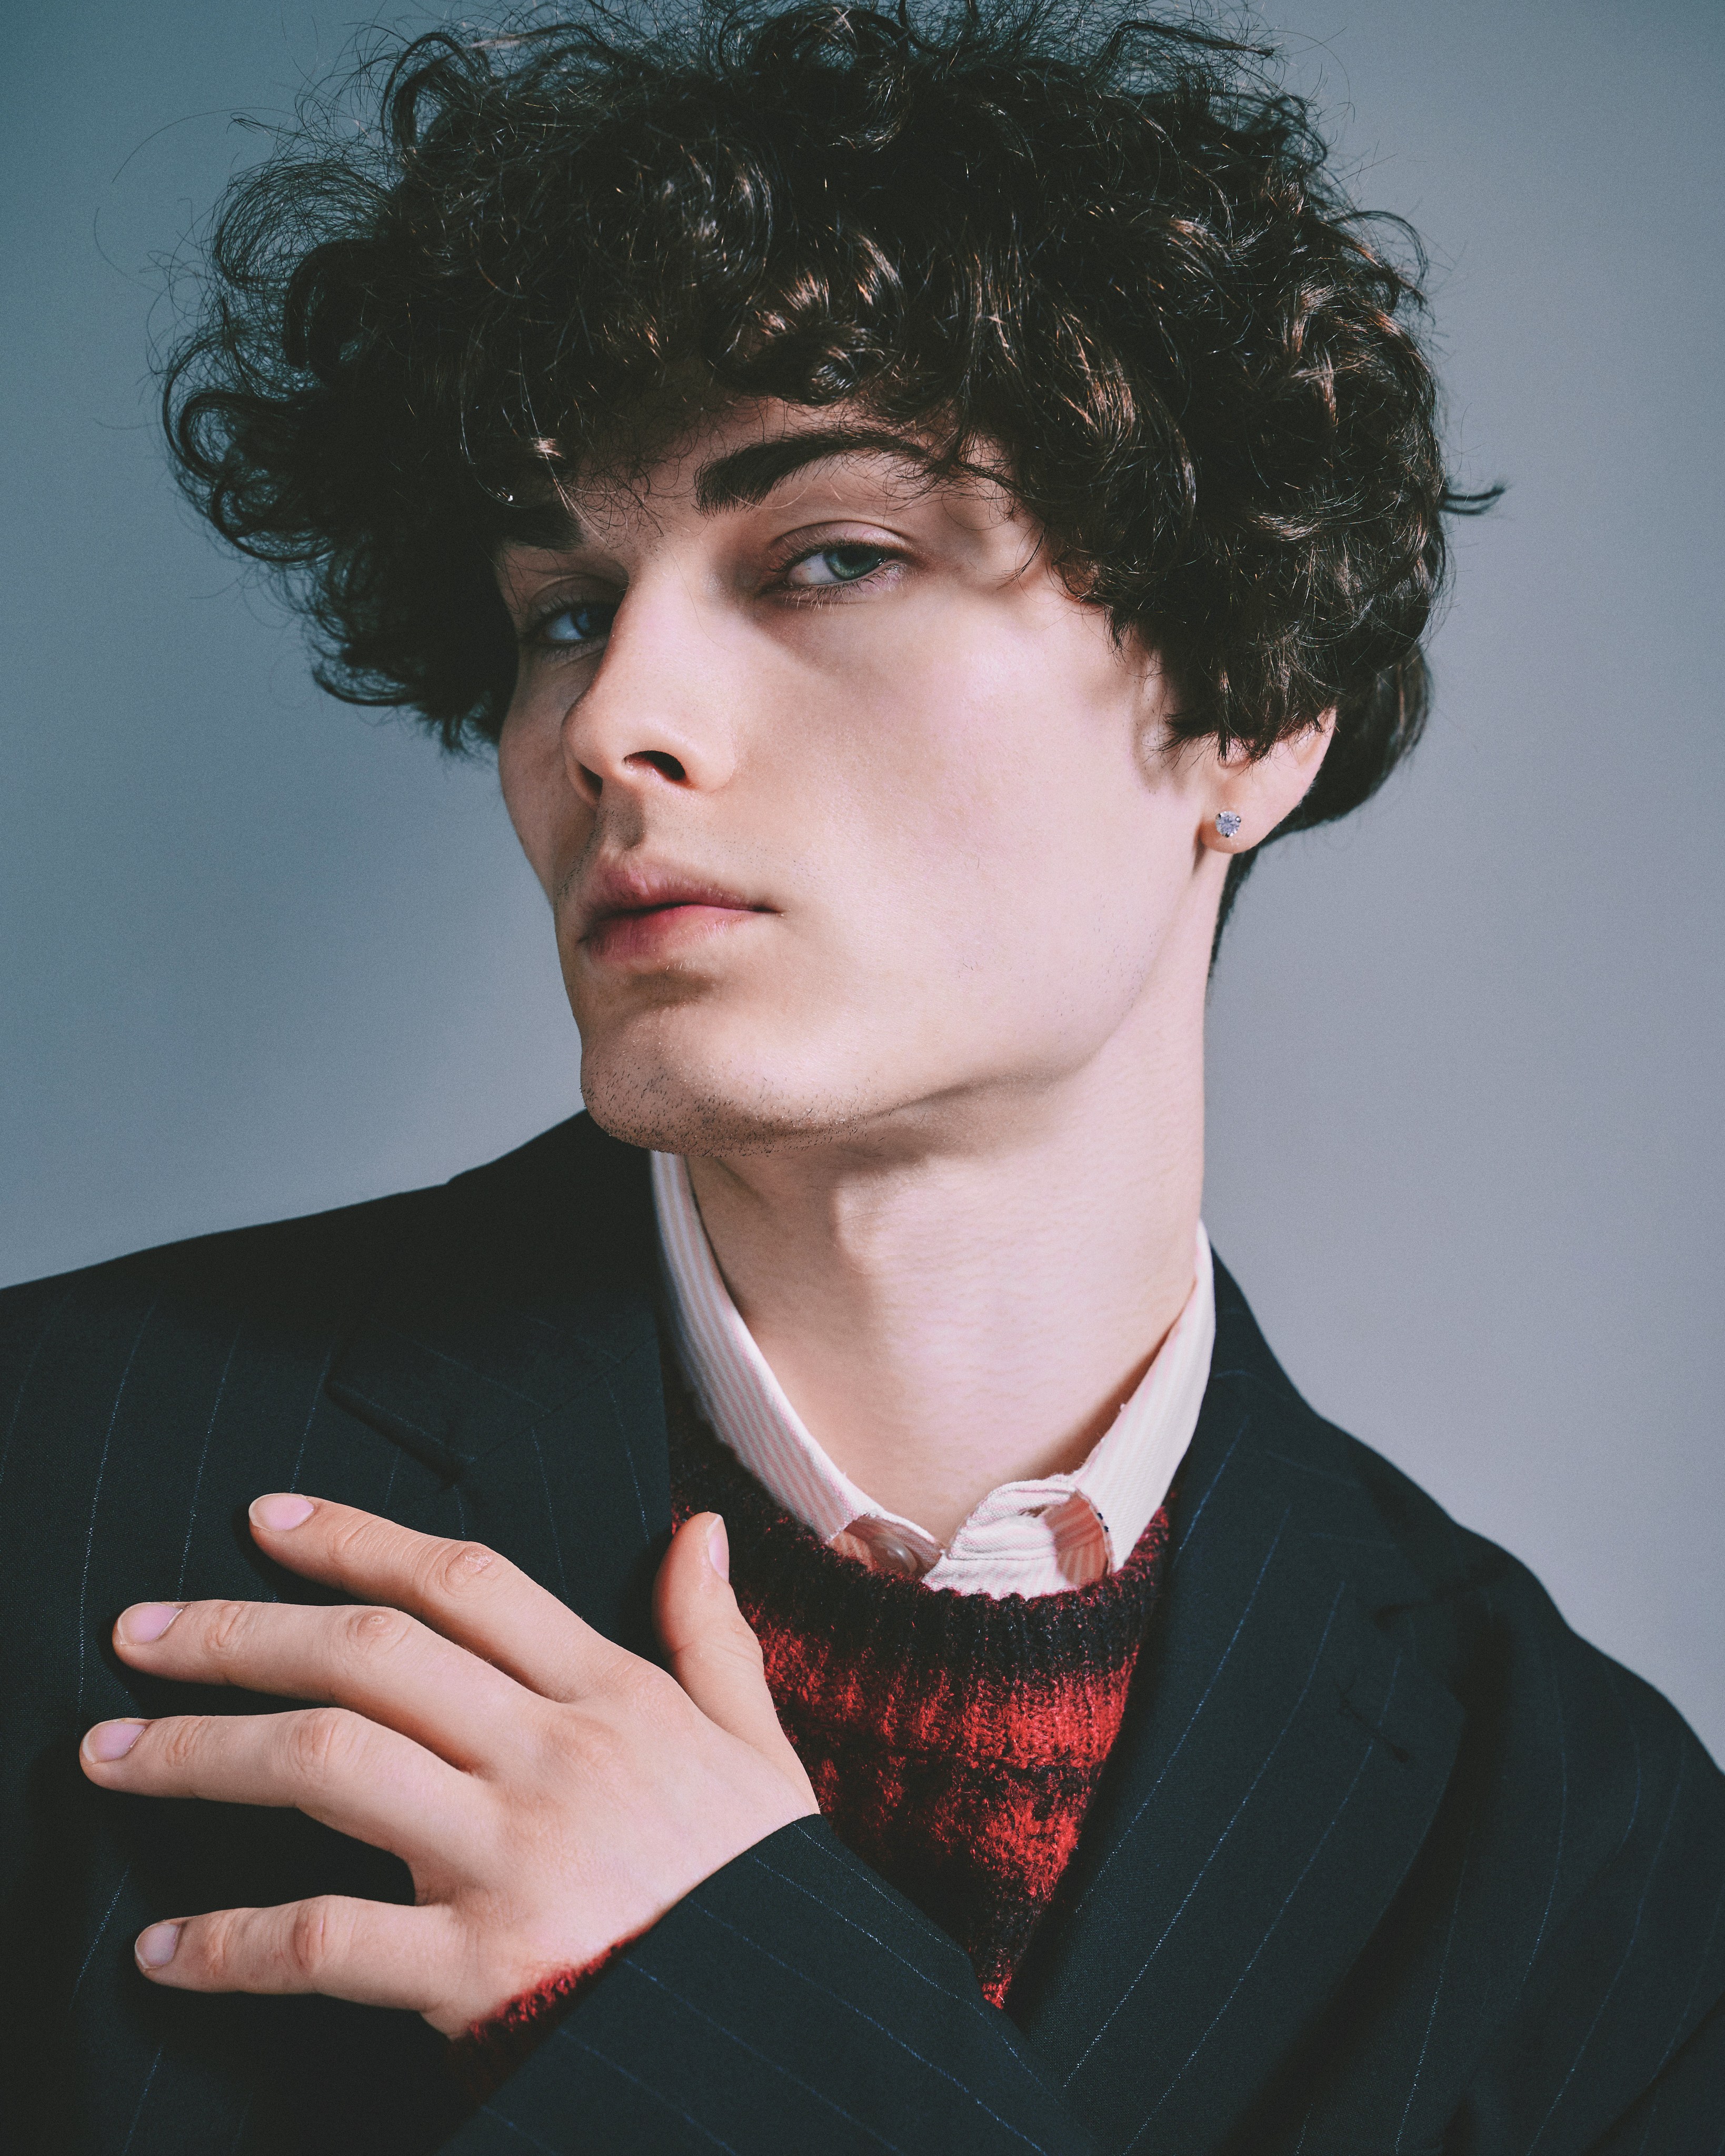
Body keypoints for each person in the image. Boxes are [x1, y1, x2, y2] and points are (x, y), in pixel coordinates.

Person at [2, 4, 1720, 2150]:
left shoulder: (1594, 1875)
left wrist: (729, 2008)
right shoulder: (53, 1480)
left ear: (1250, 707)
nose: (612, 719)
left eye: (830, 558)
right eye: (560, 610)